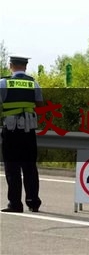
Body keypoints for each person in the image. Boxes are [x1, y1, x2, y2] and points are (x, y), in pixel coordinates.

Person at [1, 54, 43, 213]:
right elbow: (40, 104)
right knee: (30, 167)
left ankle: (15, 203)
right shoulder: (34, 83)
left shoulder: (4, 83)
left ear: (10, 65)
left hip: (11, 131)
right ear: (25, 67)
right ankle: (33, 202)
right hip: (29, 131)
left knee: (12, 167)